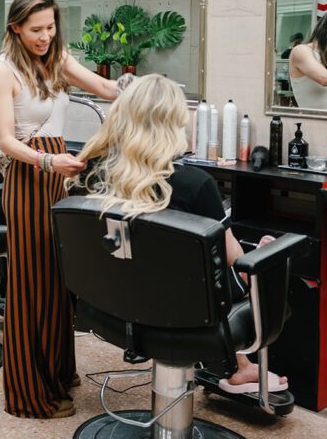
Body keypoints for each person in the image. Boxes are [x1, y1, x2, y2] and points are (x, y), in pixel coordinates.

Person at [69, 74, 290, 394]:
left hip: (109, 309)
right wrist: (261, 255)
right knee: (258, 264)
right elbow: (234, 258)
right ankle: (238, 365)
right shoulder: (194, 184)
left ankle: (239, 367)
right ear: (173, 122)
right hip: (182, 316)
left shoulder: (91, 172)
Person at [0, 0, 125, 419]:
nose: (45, 36)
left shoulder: (57, 58)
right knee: (31, 287)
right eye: (36, 30)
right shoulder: (2, 69)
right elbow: (7, 141)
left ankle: (58, 371)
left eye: (50, 27)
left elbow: (104, 87)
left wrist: (141, 94)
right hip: (28, 181)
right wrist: (48, 160)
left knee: (57, 284)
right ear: (15, 28)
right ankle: (30, 391)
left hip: (55, 184)